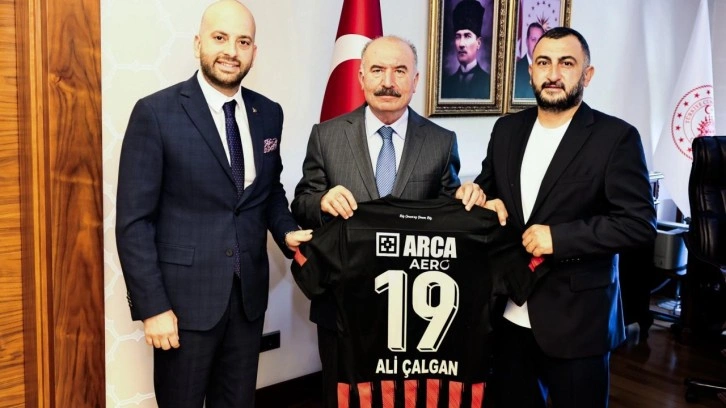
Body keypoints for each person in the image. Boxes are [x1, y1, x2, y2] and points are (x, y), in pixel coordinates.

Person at [115, 1, 311, 407]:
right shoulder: (155, 113)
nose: (231, 51)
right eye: (220, 38)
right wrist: (153, 307)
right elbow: (134, 222)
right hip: (182, 307)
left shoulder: (268, 113)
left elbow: (268, 190)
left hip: (247, 301)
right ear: (198, 43)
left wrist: (286, 230)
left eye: (243, 41)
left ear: (254, 51)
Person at [291, 35, 485, 408]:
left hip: (415, 312)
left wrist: (468, 199)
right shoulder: (326, 136)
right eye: (378, 70)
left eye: (400, 71)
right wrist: (322, 202)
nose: (388, 82)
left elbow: (449, 217)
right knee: (343, 399)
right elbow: (301, 202)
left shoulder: (441, 141)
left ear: (415, 80)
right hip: (343, 307)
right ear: (361, 77)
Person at [472, 27, 656, 408]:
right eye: (543, 62)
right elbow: (489, 191)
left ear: (587, 74)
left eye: (566, 63)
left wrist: (559, 238)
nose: (553, 74)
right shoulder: (507, 129)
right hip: (509, 312)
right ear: (531, 71)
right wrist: (474, 196)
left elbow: (638, 224)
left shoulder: (615, 138)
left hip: (578, 321)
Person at [441, 0, 491, 99]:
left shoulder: (488, 82)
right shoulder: (446, 84)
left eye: (467, 36)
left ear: (478, 43)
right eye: (458, 37)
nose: (461, 44)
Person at [513, 22, 545, 99]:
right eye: (533, 39)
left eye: (540, 40)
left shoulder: (549, 70)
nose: (537, 44)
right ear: (527, 41)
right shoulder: (515, 71)